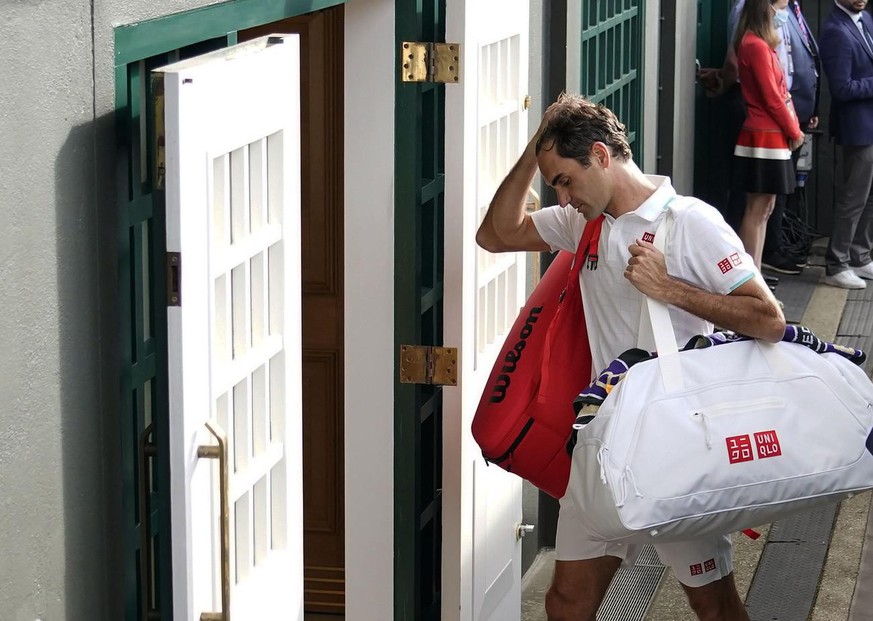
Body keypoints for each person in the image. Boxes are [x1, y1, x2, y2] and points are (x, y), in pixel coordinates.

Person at [476, 94, 785, 621]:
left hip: (675, 448)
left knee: (714, 608)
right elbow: (496, 234)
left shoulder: (691, 222)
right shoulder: (584, 222)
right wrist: (537, 149)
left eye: (565, 180)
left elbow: (768, 319)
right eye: (555, 185)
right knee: (567, 603)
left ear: (600, 155)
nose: (563, 196)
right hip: (601, 443)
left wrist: (671, 288)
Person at [732, 0, 805, 271]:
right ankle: (751, 278)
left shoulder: (758, 44)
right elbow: (773, 99)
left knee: (765, 209)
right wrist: (794, 130)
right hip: (764, 136)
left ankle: (756, 276)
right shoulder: (756, 45)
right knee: (757, 209)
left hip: (769, 135)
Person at [761, 0, 821, 275]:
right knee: (763, 201)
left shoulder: (792, 10)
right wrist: (794, 128)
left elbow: (805, 58)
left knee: (777, 196)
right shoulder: (757, 36)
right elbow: (774, 93)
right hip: (775, 125)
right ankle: (765, 255)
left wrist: (811, 108)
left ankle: (772, 250)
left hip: (796, 114)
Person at [818, 0, 873, 290]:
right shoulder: (835, 30)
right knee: (853, 197)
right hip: (858, 129)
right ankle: (836, 264)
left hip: (870, 126)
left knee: (869, 196)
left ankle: (860, 255)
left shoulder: (865, 20)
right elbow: (841, 88)